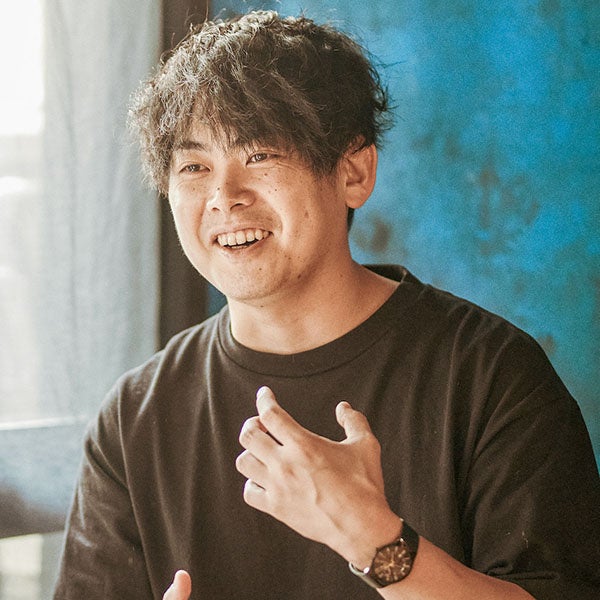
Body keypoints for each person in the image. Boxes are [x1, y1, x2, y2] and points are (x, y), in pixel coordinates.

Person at [54, 10, 600, 600]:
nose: (224, 197)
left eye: (260, 155)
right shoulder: (135, 416)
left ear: (354, 172)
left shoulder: (492, 377)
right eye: (194, 167)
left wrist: (372, 538)